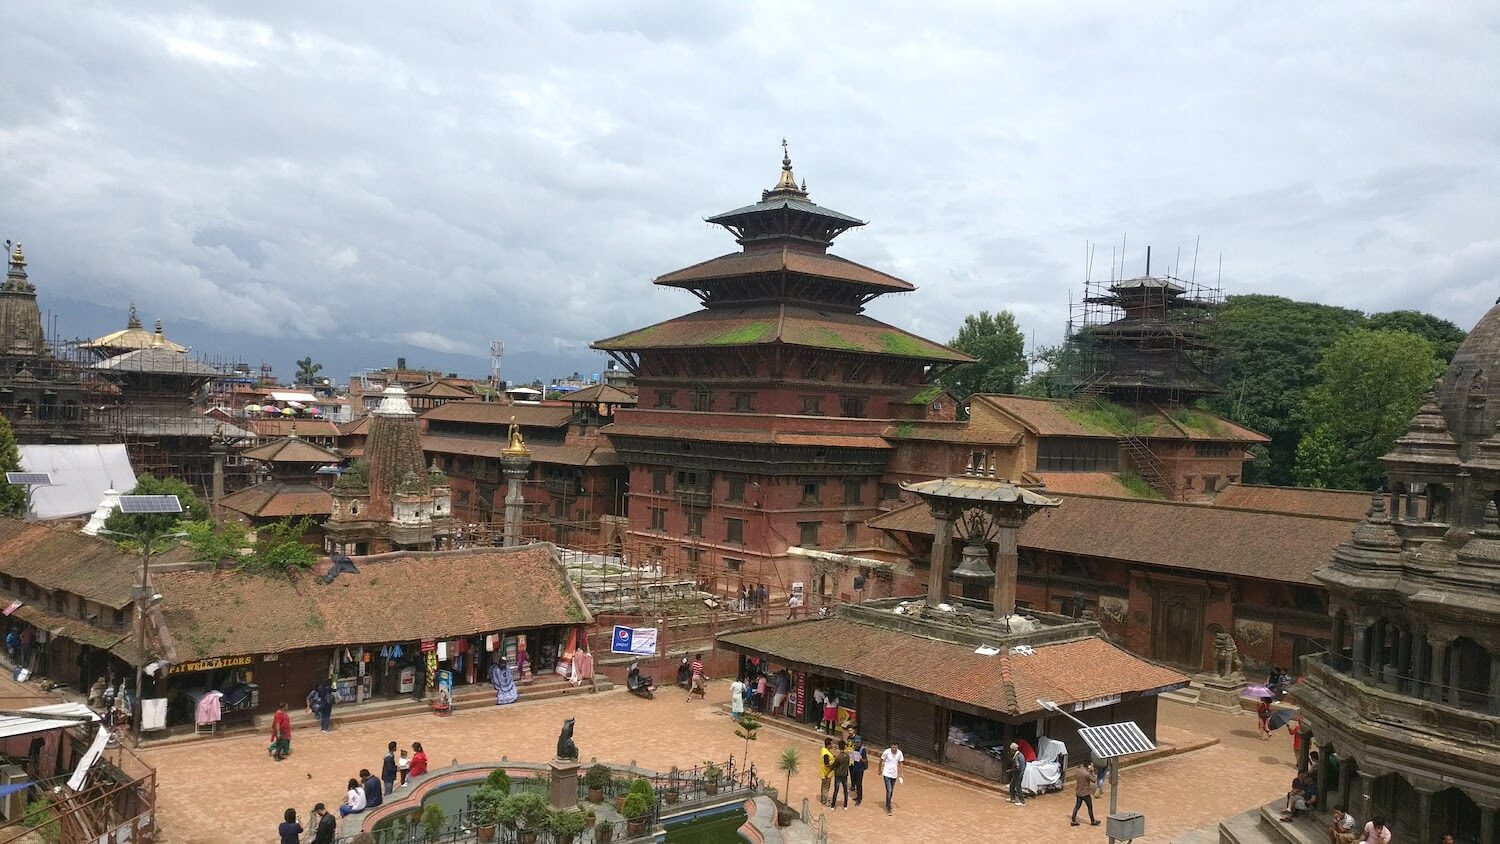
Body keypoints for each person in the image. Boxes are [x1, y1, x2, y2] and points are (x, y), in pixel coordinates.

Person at [880, 742, 903, 816]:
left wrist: (901, 773)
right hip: (886, 774)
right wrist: (879, 769)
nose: (894, 749)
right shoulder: (886, 752)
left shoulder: (899, 753)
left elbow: (901, 763)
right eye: (893, 748)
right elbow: (881, 760)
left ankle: (887, 802)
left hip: (894, 774)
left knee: (891, 791)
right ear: (891, 747)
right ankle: (889, 807)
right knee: (889, 790)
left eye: (895, 748)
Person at [829, 739, 852, 809]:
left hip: (838, 775)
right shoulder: (847, 756)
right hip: (845, 774)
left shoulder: (838, 757)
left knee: (836, 790)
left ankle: (833, 806)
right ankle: (845, 805)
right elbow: (848, 764)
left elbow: (834, 766)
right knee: (845, 790)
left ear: (839, 747)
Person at [849, 736, 867, 806]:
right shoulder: (854, 748)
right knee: (856, 783)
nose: (857, 744)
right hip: (855, 768)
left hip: (860, 769)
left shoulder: (863, 750)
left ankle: (859, 798)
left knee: (859, 784)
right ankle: (858, 796)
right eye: (855, 743)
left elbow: (865, 760)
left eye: (858, 743)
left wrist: (860, 758)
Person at [818, 737, 835, 805]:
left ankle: (823, 799)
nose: (832, 745)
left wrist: (833, 757)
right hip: (826, 773)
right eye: (831, 744)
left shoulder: (824, 749)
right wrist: (834, 763)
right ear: (828, 745)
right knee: (825, 788)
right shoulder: (826, 754)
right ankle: (824, 801)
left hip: (824, 772)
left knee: (824, 787)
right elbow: (827, 764)